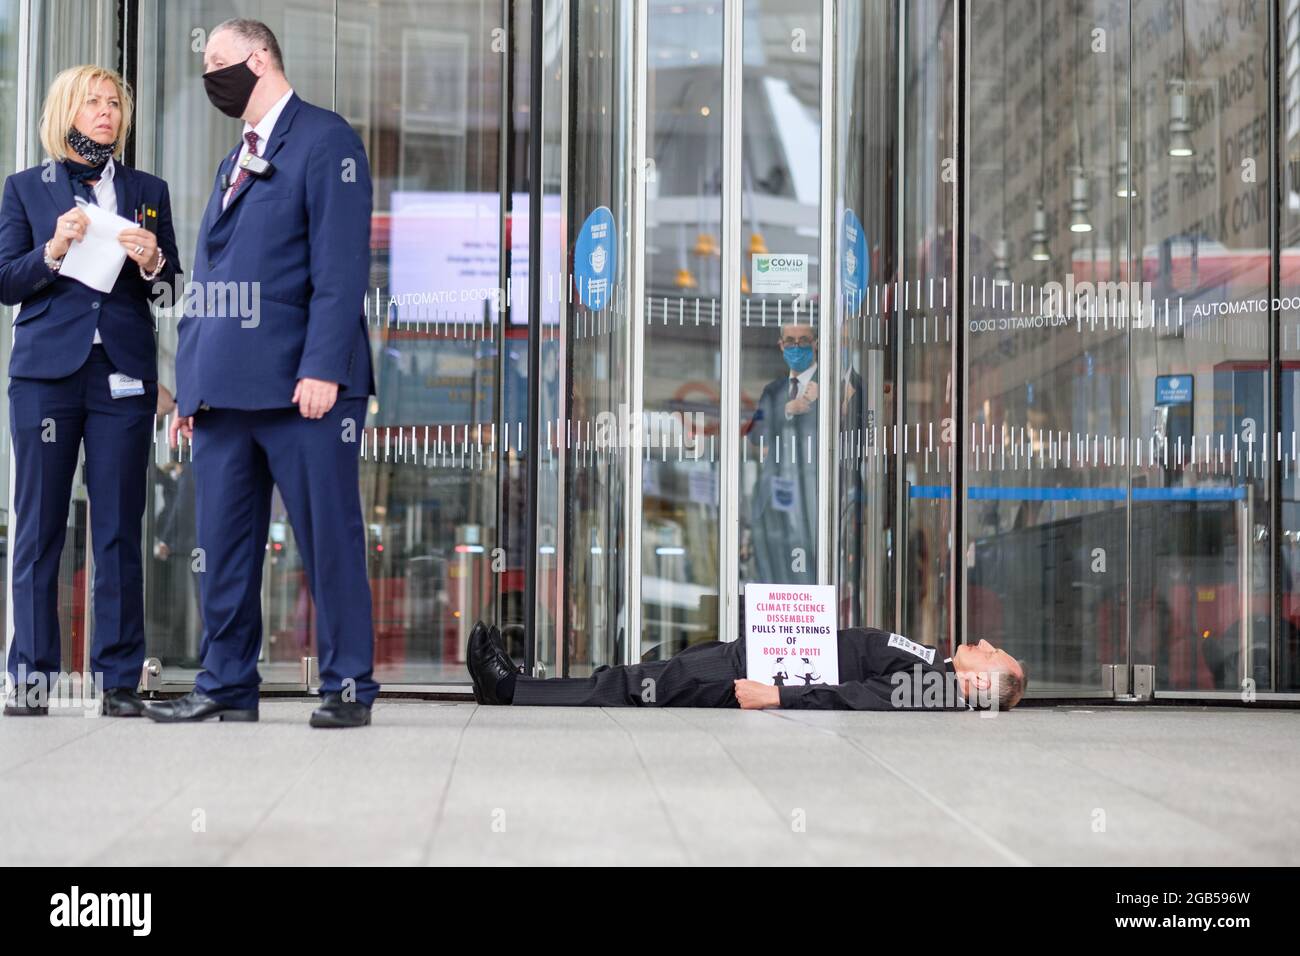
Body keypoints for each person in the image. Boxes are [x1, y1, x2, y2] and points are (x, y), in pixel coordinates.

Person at [144, 18, 377, 728]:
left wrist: (323, 368)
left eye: (218, 62)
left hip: (301, 389)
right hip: (225, 396)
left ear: (259, 57)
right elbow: (213, 280)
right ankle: (226, 682)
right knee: (224, 550)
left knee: (327, 539)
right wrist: (193, 385)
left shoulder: (326, 140)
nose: (210, 76)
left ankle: (347, 686)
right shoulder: (232, 162)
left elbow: (340, 271)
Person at [0, 65, 180, 716]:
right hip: (46, 377)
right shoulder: (25, 190)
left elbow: (169, 292)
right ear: (66, 113)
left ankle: (120, 681)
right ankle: (31, 678)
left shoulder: (148, 191)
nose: (106, 112)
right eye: (92, 102)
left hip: (123, 380)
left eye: (114, 103)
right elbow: (6, 281)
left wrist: (154, 261)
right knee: (41, 528)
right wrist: (51, 250)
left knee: (117, 529)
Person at [466, 621, 1027, 711]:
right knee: (644, 679)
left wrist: (775, 697)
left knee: (636, 687)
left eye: (991, 651)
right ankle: (522, 686)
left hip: (759, 677)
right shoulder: (934, 664)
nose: (982, 641)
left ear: (980, 681)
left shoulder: (930, 686)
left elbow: (855, 697)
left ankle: (511, 689)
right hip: (761, 655)